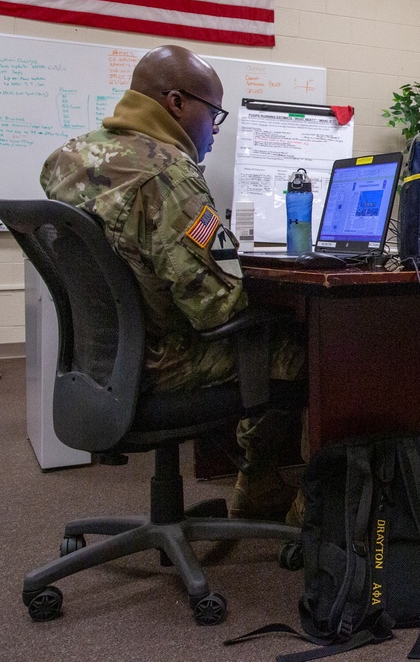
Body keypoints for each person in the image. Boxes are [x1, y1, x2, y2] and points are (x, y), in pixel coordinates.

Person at [40, 44, 305, 523]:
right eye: (215, 115)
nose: (215, 132)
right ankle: (271, 486)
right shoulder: (169, 175)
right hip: (161, 366)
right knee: (303, 346)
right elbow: (219, 307)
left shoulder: (68, 159)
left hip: (102, 363)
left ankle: (263, 483)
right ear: (177, 103)